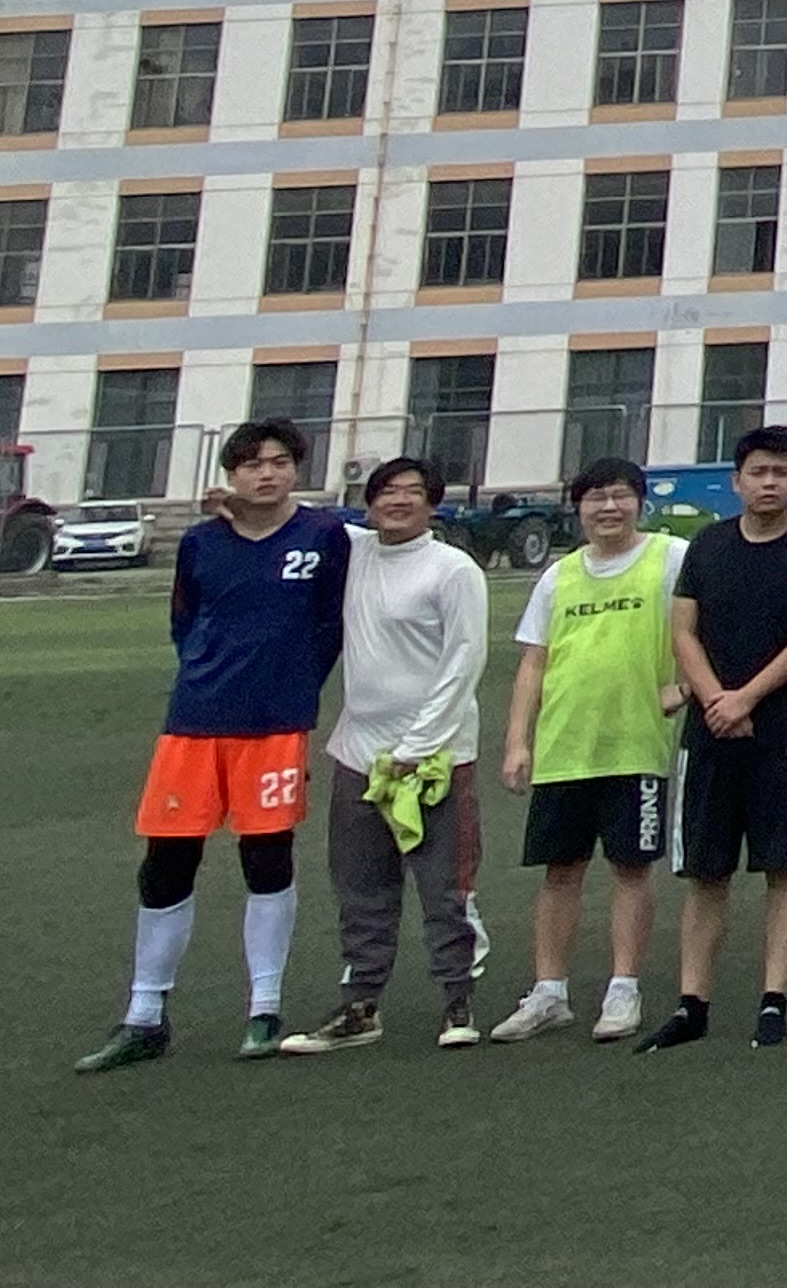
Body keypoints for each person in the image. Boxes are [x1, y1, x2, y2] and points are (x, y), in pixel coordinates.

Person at [78, 417, 350, 1072]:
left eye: (280, 461)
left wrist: (290, 686)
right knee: (167, 864)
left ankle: (264, 1009)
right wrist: (209, 674)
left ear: (297, 468)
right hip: (194, 723)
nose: (268, 473)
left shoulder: (324, 535)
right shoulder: (201, 541)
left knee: (267, 859)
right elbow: (184, 621)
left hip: (275, 726)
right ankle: (145, 1015)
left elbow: (330, 624)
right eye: (252, 463)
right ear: (232, 474)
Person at [281, 455, 488, 1053]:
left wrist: (418, 746)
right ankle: (360, 1006)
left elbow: (464, 660)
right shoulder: (353, 552)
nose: (399, 501)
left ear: (432, 503)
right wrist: (235, 504)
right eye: (387, 491)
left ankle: (457, 1001)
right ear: (369, 502)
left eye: (413, 492)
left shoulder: (453, 569)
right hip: (359, 753)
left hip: (435, 756)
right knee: (361, 887)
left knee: (445, 886)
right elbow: (297, 519)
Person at [650, 424, 787, 1051]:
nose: (769, 483)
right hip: (709, 734)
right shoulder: (707, 545)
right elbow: (684, 631)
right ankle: (692, 1005)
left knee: (783, 866)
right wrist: (715, 700)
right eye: (758, 472)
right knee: (707, 871)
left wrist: (747, 698)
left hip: (783, 733)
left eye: (781, 473)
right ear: (737, 481)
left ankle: (773, 1000)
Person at [489, 457, 683, 1044]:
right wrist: (518, 741)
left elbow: (712, 628)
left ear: (640, 502)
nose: (608, 507)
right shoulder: (559, 575)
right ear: (579, 509)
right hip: (564, 749)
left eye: (620, 495)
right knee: (560, 871)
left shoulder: (670, 558)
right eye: (596, 497)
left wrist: (687, 687)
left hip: (635, 746)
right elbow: (534, 662)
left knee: (631, 869)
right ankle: (549, 992)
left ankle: (624, 989)